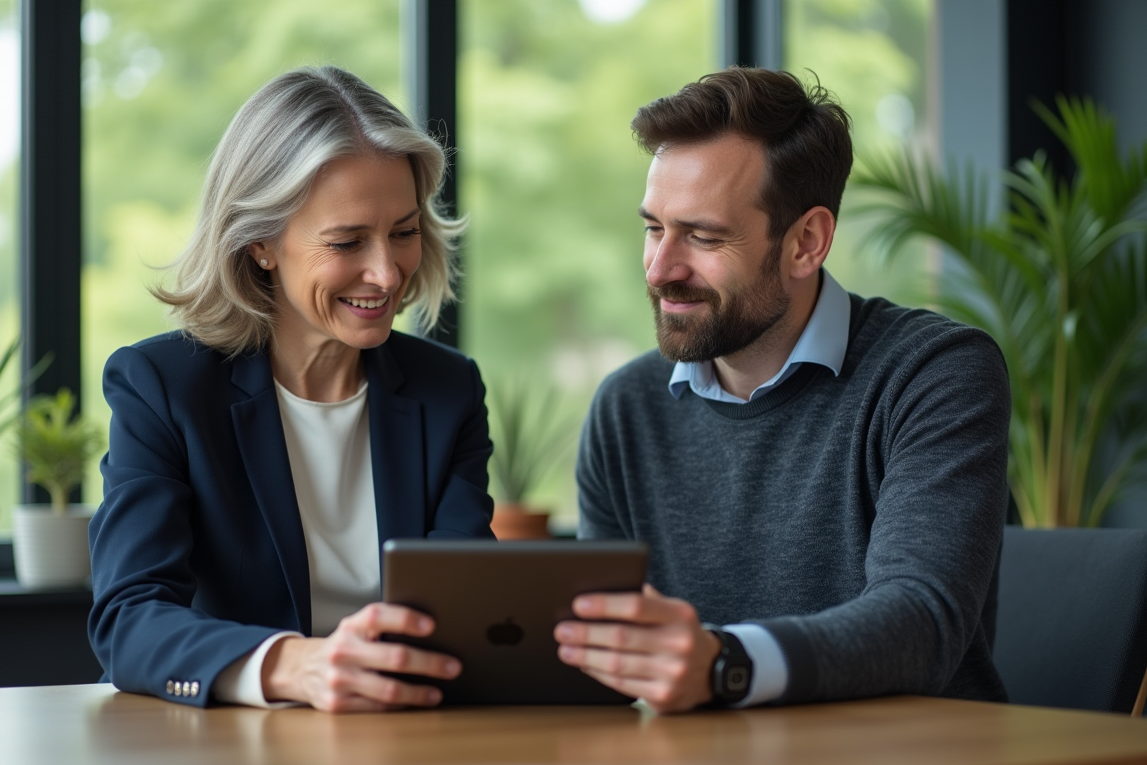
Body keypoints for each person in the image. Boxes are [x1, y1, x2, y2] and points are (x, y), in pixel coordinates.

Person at [555, 67, 1010, 713]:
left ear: (806, 242)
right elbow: (603, 652)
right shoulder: (627, 407)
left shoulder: (934, 373)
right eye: (654, 228)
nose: (660, 269)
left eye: (703, 236)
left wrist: (724, 664)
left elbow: (921, 624)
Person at [89, 66, 493, 713]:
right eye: (347, 241)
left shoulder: (448, 391)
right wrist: (294, 665)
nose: (386, 273)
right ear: (260, 244)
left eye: (404, 232)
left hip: (414, 743)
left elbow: (470, 607)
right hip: (236, 760)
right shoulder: (162, 388)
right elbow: (129, 621)